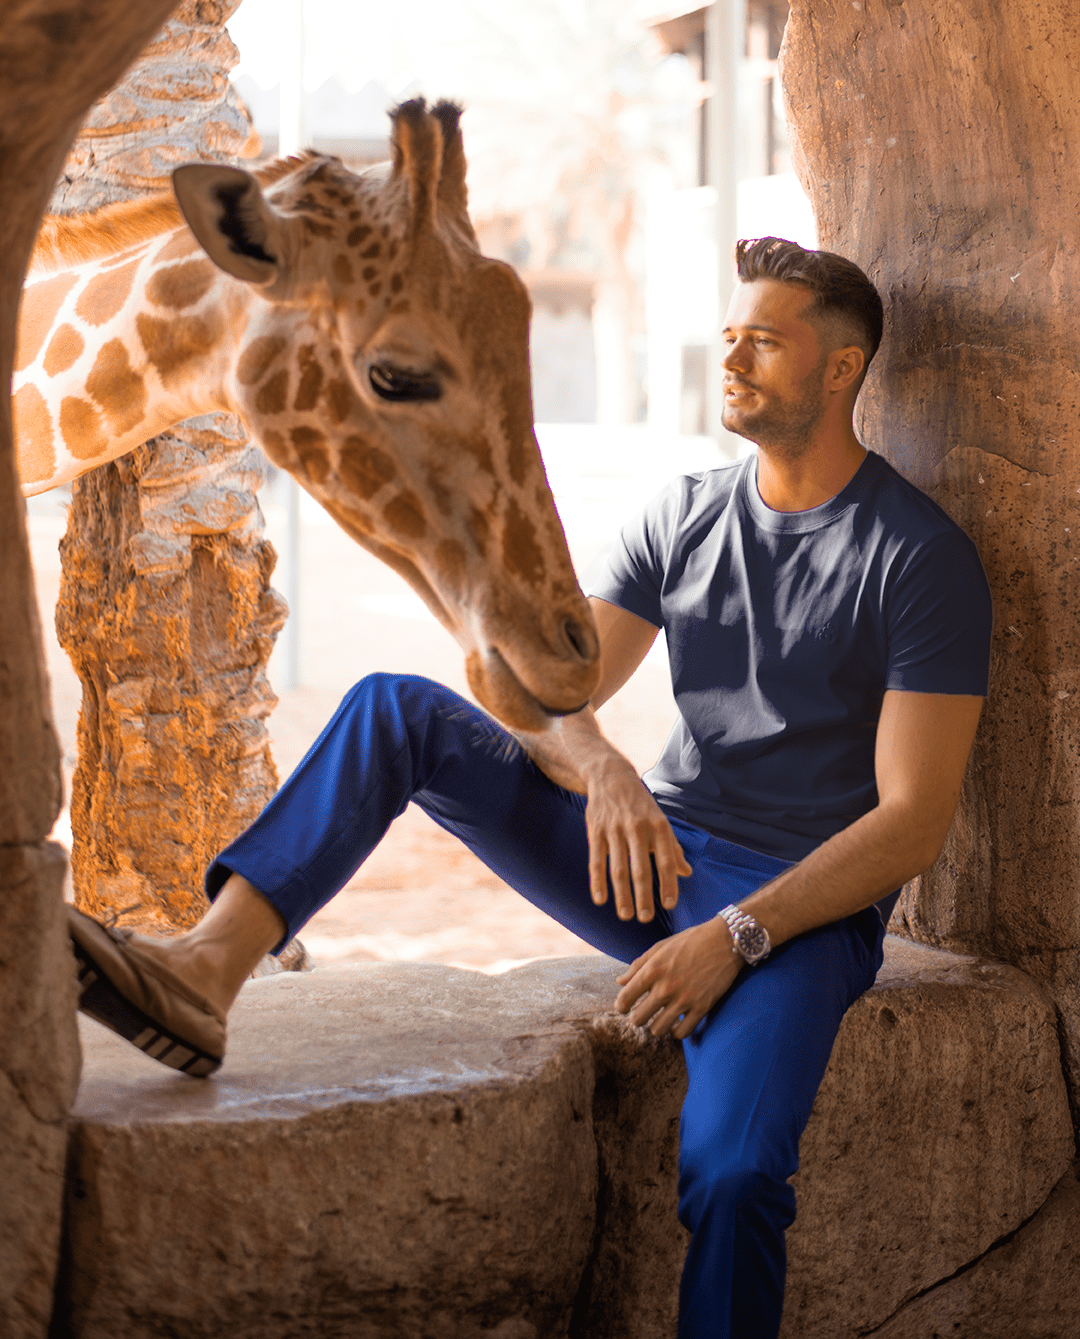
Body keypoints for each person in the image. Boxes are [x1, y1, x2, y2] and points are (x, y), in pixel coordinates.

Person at [69, 235, 991, 1339]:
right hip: (654, 856)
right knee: (394, 709)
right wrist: (602, 766)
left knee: (736, 1173)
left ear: (840, 371)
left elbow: (911, 821)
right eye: (729, 334)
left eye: (765, 341)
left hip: (797, 916)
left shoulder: (917, 556)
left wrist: (734, 937)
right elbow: (546, 691)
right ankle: (206, 971)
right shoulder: (686, 514)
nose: (733, 357)